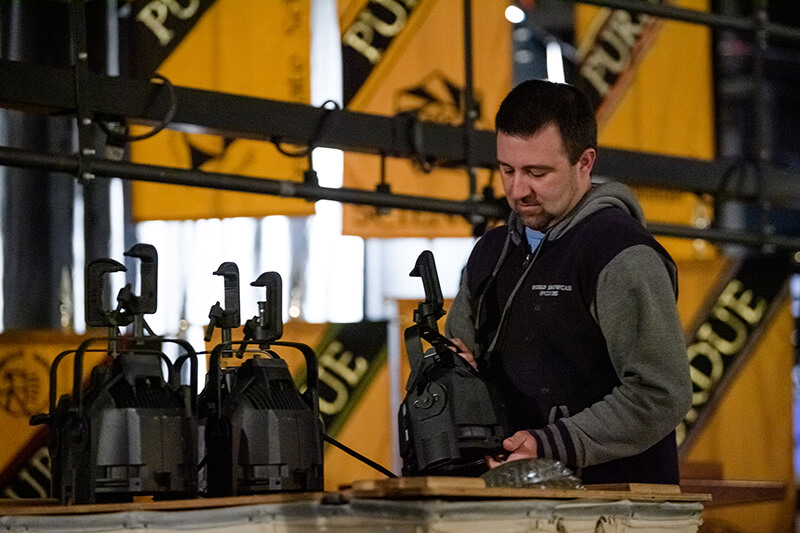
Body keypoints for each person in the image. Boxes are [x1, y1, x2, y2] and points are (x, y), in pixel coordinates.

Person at [444, 79, 692, 485]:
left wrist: (553, 444)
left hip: (616, 508)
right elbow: (458, 360)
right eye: (507, 170)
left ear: (585, 162)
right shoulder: (489, 253)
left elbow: (661, 393)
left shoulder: (620, 255)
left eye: (537, 172)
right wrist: (451, 371)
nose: (517, 190)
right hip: (508, 504)